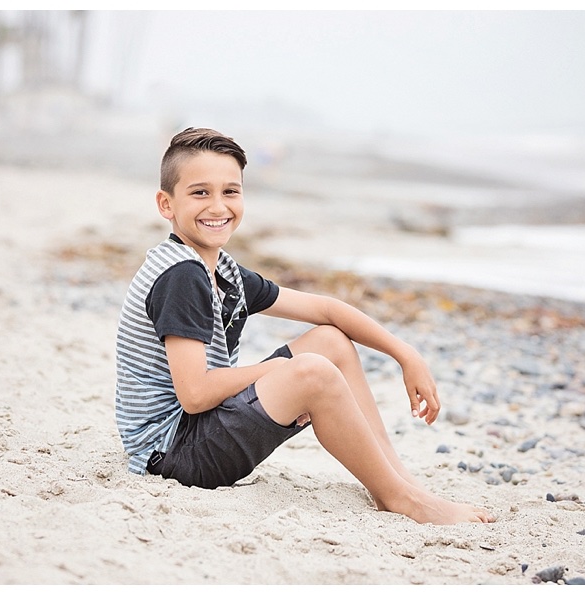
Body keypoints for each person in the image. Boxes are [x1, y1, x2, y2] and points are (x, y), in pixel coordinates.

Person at [115, 127, 495, 525]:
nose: (217, 206)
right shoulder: (182, 277)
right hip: (174, 454)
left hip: (194, 433)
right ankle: (400, 497)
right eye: (199, 193)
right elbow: (193, 394)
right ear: (166, 204)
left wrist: (405, 354)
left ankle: (399, 482)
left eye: (230, 191)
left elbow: (327, 310)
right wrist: (274, 371)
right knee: (312, 372)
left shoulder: (219, 269)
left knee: (329, 342)